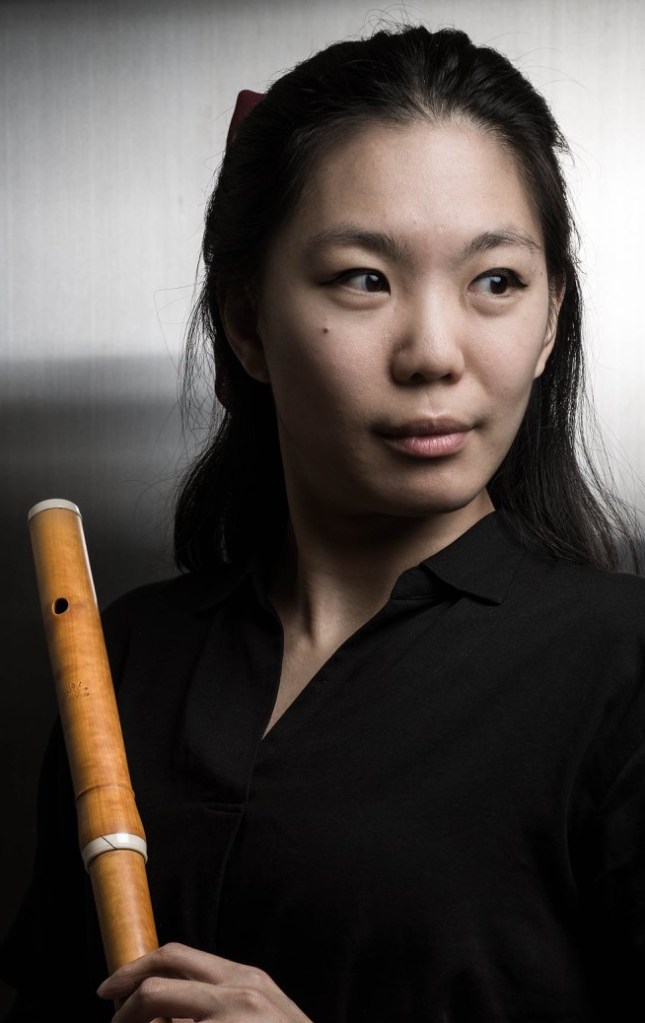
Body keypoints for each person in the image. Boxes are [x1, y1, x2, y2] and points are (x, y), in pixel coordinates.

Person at [2, 20, 645, 1023]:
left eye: (496, 281)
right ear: (246, 321)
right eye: (363, 277)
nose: (433, 353)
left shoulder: (624, 663)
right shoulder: (130, 652)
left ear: (550, 318)